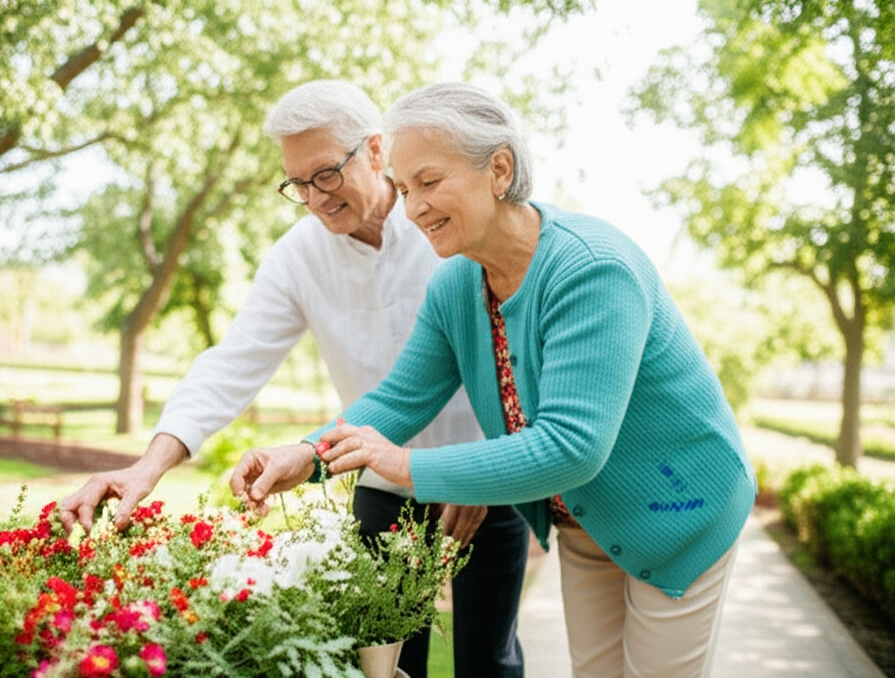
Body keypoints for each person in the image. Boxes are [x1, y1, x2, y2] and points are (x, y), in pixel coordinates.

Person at [230, 81, 759, 678]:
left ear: (499, 169)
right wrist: (305, 455)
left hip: (677, 511)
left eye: (428, 183)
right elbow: (401, 398)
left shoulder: (591, 269)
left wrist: (405, 468)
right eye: (404, 189)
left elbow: (572, 446)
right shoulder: (457, 283)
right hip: (588, 522)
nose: (412, 207)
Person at [58, 80, 531, 678]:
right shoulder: (296, 257)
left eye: (327, 173)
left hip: (486, 477)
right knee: (379, 666)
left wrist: (488, 472)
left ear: (377, 151)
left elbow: (515, 356)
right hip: (384, 490)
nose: (314, 197)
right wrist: (146, 467)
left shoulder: (449, 223)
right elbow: (233, 362)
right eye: (298, 183)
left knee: (488, 662)